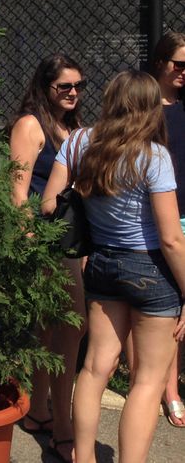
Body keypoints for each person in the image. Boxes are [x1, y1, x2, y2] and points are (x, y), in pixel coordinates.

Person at [43, 70, 185, 463]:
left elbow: (50, 204)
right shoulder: (153, 155)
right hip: (151, 269)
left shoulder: (79, 141)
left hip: (101, 263)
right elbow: (171, 238)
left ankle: (83, 457)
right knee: (147, 381)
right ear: (150, 107)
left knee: (94, 368)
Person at [9, 54, 86, 459]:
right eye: (64, 86)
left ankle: (39, 411)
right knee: (72, 326)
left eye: (79, 86)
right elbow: (18, 192)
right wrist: (29, 243)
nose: (73, 93)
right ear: (45, 86)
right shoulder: (30, 125)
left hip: (71, 239)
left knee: (50, 329)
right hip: (45, 241)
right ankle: (62, 426)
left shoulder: (73, 127)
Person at [144, 32, 185, 427]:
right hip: (161, 216)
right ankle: (168, 389)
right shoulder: (144, 108)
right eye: (179, 64)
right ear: (160, 63)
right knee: (171, 302)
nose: (184, 72)